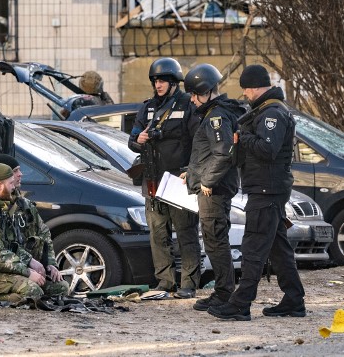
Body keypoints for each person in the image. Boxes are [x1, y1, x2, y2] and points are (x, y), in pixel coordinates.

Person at [209, 64, 306, 321]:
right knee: (278, 249)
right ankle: (294, 300)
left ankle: (241, 303)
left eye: (246, 91)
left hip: (267, 190)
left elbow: (267, 149)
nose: (245, 96)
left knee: (252, 248)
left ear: (253, 87)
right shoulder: (265, 111)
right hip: (266, 189)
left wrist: (243, 136)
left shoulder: (272, 113)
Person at [128, 57, 201, 298]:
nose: (158, 85)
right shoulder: (148, 107)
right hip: (152, 181)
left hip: (178, 180)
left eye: (163, 81)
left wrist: (191, 170)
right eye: (156, 80)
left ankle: (189, 283)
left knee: (186, 233)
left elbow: (198, 141)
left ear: (174, 82)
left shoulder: (186, 105)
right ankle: (165, 281)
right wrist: (138, 140)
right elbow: (133, 139)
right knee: (158, 234)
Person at [182, 63, 247, 314]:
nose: (192, 99)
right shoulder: (217, 113)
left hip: (214, 190)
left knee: (215, 241)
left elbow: (222, 154)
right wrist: (193, 173)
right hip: (214, 186)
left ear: (206, 91)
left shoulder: (217, 117)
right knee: (214, 240)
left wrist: (207, 181)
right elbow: (212, 153)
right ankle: (223, 290)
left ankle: (223, 294)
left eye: (194, 94)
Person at [0, 163, 65, 304]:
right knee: (33, 292)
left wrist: (31, 262)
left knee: (60, 288)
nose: (14, 187)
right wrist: (26, 272)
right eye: (10, 183)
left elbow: (9, 245)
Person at [0, 154, 69, 298]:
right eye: (15, 171)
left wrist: (50, 264)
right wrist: (28, 268)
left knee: (61, 288)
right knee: (32, 293)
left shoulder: (23, 204)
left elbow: (43, 233)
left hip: (26, 266)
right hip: (6, 270)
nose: (20, 174)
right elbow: (3, 248)